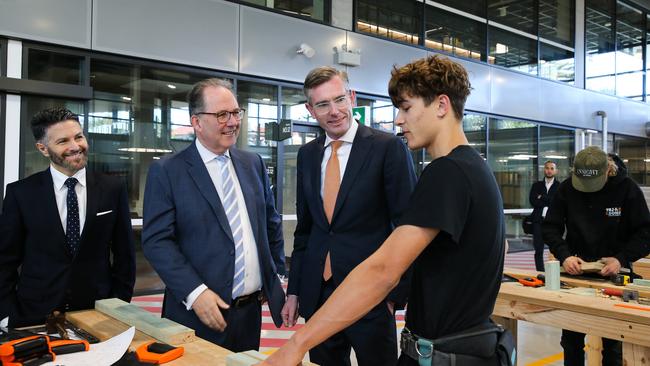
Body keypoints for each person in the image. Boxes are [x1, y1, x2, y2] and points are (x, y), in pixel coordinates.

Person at [261, 55, 506, 366]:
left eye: (406, 108)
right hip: (463, 344)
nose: (399, 120)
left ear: (442, 105)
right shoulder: (474, 169)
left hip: (447, 351)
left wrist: (296, 345)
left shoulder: (446, 173)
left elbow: (383, 270)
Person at [282, 66, 416, 365]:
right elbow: (306, 230)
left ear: (352, 97)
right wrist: (294, 292)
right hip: (319, 294)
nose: (334, 111)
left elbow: (407, 225)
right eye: (322, 104)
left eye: (339, 99)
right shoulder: (307, 155)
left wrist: (396, 294)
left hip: (372, 295)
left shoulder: (387, 148)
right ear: (310, 110)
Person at [142, 78, 286, 351]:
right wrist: (195, 293)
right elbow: (157, 242)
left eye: (235, 113)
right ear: (196, 122)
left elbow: (270, 223)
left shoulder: (252, 163)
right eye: (222, 115)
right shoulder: (168, 171)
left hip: (249, 315)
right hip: (194, 316)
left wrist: (276, 274)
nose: (232, 122)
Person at [0, 107, 135, 327]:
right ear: (43, 149)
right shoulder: (21, 193)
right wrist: (6, 314)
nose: (75, 146)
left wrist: (118, 305)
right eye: (63, 141)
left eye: (79, 137)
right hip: (34, 315)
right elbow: (5, 260)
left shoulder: (113, 187)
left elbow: (125, 256)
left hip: (99, 314)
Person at [543, 146, 650, 366]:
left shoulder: (627, 189)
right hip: (576, 277)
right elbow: (550, 228)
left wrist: (621, 258)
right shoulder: (566, 189)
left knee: (614, 347)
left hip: (617, 278)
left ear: (607, 171)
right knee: (571, 342)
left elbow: (646, 232)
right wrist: (565, 256)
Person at [528, 160, 560, 271]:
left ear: (556, 171)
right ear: (544, 169)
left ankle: (554, 272)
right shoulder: (537, 185)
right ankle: (540, 272)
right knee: (538, 250)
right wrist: (548, 200)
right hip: (538, 221)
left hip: (553, 223)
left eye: (552, 168)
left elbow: (557, 203)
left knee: (555, 249)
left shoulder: (559, 186)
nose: (549, 170)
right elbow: (533, 201)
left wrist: (542, 197)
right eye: (547, 168)